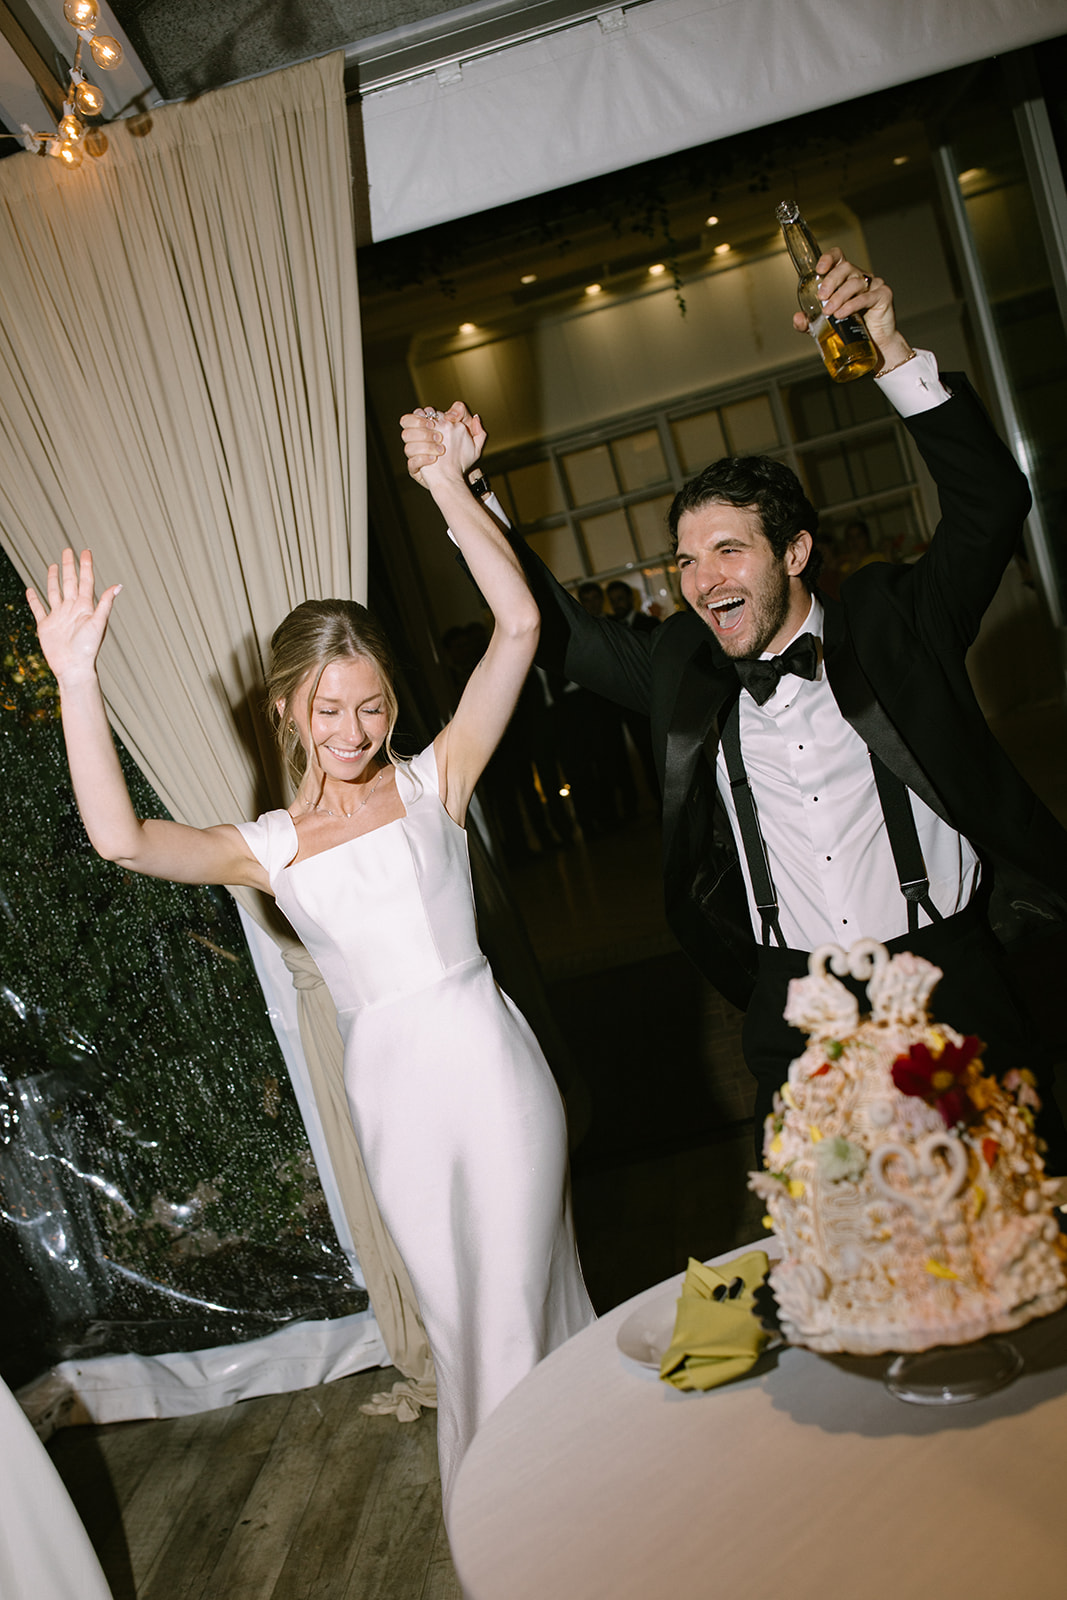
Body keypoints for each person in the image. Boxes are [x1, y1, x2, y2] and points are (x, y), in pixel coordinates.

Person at [27, 413, 594, 1518]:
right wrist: (77, 683)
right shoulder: (272, 847)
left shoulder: (437, 783)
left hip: (494, 1068)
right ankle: (507, 1526)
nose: (354, 727)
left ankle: (568, 1513)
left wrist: (445, 487)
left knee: (521, 1302)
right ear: (286, 705)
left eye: (372, 703)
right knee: (464, 1320)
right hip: (393, 1100)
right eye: (329, 707)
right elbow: (121, 839)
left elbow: (519, 622)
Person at [401, 251, 1067, 1171]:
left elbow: (990, 502)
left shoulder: (893, 622)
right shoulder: (686, 666)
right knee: (824, 1256)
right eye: (685, 561)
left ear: (794, 552)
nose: (702, 580)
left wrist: (889, 353)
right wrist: (467, 494)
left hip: (944, 977)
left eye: (726, 551)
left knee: (1013, 1215)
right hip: (793, 1007)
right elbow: (560, 634)